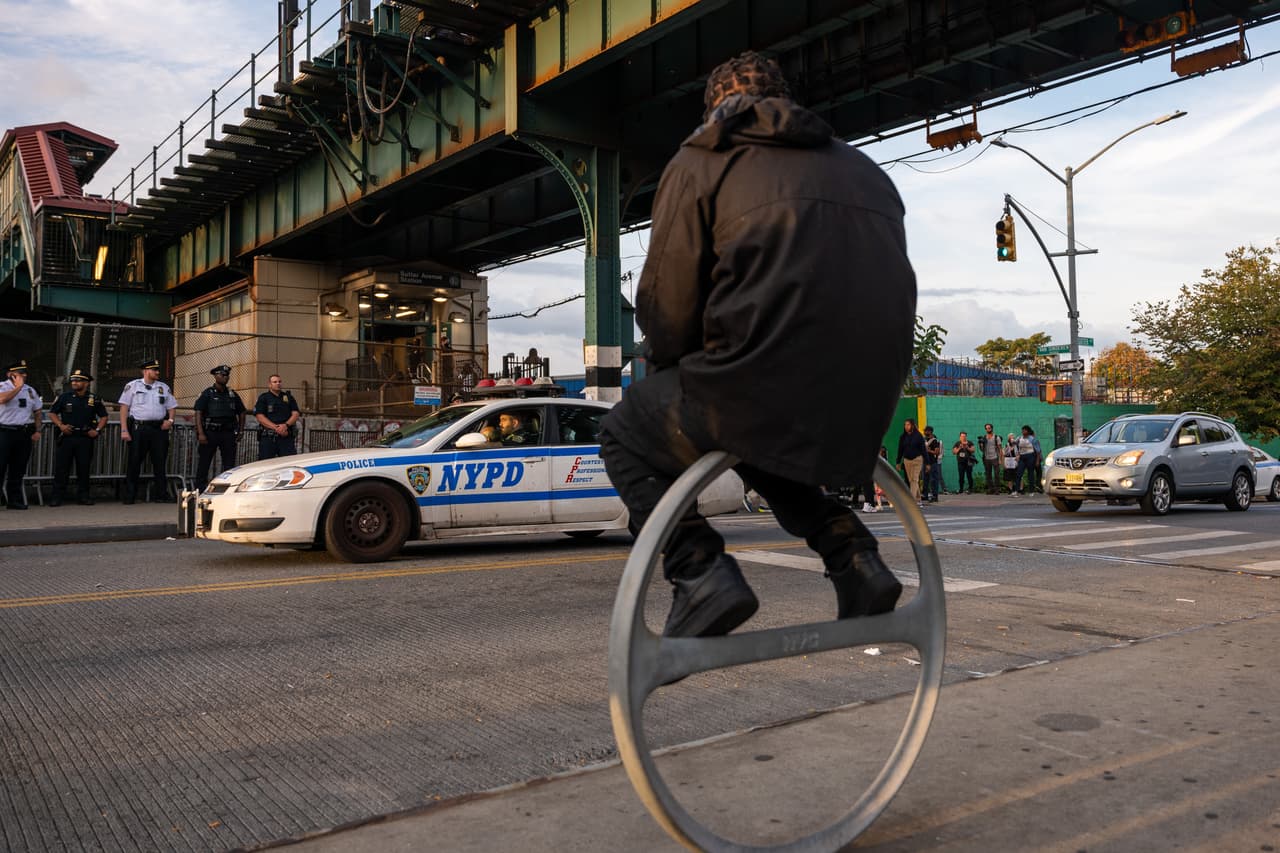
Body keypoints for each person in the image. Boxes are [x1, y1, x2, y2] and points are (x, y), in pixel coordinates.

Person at [597, 51, 915, 640]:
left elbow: (667, 304)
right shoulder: (869, 172)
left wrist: (673, 366)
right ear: (785, 99)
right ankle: (853, 557)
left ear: (717, 107)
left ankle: (699, 573)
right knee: (749, 431)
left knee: (624, 433)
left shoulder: (704, 157)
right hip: (867, 405)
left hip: (758, 380)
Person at [46, 369, 109, 506]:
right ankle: (57, 497)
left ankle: (83, 496)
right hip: (67, 437)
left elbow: (104, 416)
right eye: (73, 380)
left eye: (78, 380)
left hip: (85, 438)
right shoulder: (65, 397)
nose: (74, 382)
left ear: (86, 383)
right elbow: (52, 413)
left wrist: (97, 430)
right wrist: (60, 425)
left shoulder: (94, 398)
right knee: (62, 469)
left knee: (84, 468)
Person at [119, 358, 176, 504]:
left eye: (158, 369)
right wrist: (124, 429)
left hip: (158, 429)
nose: (157, 372)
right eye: (154, 370)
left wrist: (170, 421)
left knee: (160, 462)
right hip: (139, 429)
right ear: (145, 371)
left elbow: (171, 406)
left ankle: (161, 494)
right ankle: (130, 495)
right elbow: (124, 408)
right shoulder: (132, 386)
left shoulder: (163, 387)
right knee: (134, 461)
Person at [193, 365, 247, 491]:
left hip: (228, 432)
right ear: (215, 376)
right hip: (210, 432)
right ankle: (200, 489)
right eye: (222, 375)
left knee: (229, 464)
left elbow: (242, 412)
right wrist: (200, 433)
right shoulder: (207, 393)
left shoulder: (232, 394)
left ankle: (227, 488)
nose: (225, 377)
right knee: (204, 462)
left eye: (227, 375)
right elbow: (198, 412)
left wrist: (241, 430)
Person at [0, 359, 43, 509]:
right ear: (10, 374)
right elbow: (3, 399)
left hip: (23, 433)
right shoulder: (2, 386)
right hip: (4, 431)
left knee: (18, 468)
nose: (24, 375)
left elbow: (37, 410)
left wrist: (37, 430)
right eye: (20, 373)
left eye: (25, 373)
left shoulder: (30, 390)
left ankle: (14, 500)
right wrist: (17, 388)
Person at [254, 374, 301, 460]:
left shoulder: (288, 397)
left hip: (286, 437)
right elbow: (259, 416)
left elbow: (295, 413)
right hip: (268, 437)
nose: (278, 383)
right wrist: (276, 428)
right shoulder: (264, 398)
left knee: (289, 463)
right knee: (265, 464)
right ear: (269, 384)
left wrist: (285, 426)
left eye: (279, 381)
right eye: (275, 382)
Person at [896, 419, 927, 504]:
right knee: (911, 480)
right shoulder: (903, 437)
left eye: (908, 425)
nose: (906, 426)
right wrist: (898, 462)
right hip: (907, 460)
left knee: (914, 479)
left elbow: (923, 450)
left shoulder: (918, 436)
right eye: (905, 425)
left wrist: (927, 463)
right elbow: (900, 450)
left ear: (912, 425)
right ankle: (918, 499)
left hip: (917, 459)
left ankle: (911, 500)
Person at [1012, 425, 1042, 495]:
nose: (1023, 431)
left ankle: (1031, 491)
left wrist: (1037, 461)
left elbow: (1038, 451)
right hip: (1022, 457)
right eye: (1022, 430)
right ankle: (1016, 490)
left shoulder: (1032, 439)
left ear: (1028, 431)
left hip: (1030, 456)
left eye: (1025, 430)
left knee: (1030, 474)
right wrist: (1012, 441)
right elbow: (1014, 443)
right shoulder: (1019, 438)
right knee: (1019, 473)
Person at [977, 424, 1002, 494]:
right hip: (986, 458)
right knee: (988, 474)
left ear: (992, 428)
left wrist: (1000, 459)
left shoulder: (996, 437)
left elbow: (1000, 449)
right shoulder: (984, 438)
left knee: (996, 474)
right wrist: (980, 444)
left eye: (989, 428)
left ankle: (997, 489)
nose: (988, 429)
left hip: (995, 457)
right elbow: (982, 450)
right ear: (985, 429)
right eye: (987, 428)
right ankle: (991, 489)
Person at [921, 425, 942, 502]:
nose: (924, 432)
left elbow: (937, 452)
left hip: (933, 462)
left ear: (930, 432)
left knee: (934, 480)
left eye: (926, 431)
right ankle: (925, 495)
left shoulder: (934, 441)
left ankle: (935, 496)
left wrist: (928, 450)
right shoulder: (924, 440)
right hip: (925, 462)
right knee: (925, 479)